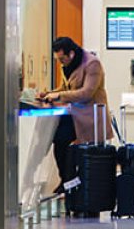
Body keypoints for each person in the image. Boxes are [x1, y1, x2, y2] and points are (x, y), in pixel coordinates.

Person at [39, 37, 112, 194]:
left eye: (62, 59)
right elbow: (65, 88)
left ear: (71, 54)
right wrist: (49, 94)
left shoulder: (92, 64)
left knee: (64, 141)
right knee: (59, 141)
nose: (60, 63)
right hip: (74, 113)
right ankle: (67, 181)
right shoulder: (68, 65)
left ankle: (71, 182)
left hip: (90, 116)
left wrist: (59, 96)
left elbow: (86, 93)